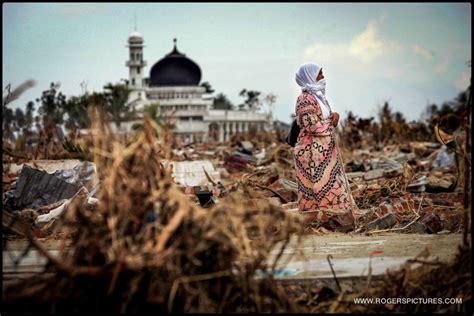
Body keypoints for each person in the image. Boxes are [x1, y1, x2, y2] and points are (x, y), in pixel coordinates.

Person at [293, 62, 358, 231]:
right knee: (313, 186)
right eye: (319, 74)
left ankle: (335, 219)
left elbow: (325, 119)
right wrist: (331, 121)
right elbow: (311, 125)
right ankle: (317, 221)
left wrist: (334, 115)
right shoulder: (304, 99)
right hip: (310, 152)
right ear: (310, 76)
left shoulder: (320, 98)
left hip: (325, 151)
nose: (323, 77)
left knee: (332, 184)